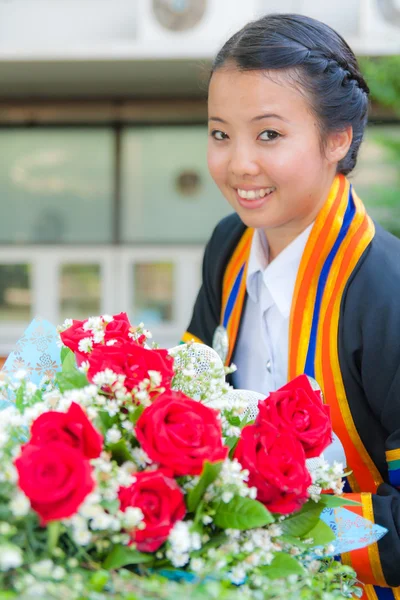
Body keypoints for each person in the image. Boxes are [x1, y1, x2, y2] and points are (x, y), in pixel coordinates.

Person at [182, 13, 400, 598]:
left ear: (338, 139)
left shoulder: (387, 292)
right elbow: (188, 404)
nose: (238, 165)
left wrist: (276, 527)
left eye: (269, 135)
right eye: (220, 133)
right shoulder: (228, 247)